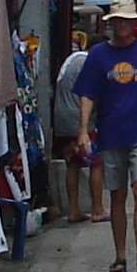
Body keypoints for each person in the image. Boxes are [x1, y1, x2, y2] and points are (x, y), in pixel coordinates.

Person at [77, 0, 137, 272]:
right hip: (111, 133)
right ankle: (120, 256)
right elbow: (87, 94)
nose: (122, 25)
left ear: (134, 23)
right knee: (117, 195)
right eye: (117, 21)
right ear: (111, 23)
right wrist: (83, 131)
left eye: (127, 21)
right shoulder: (98, 55)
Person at [52, 16, 100, 223]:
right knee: (96, 163)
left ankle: (74, 210)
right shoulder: (89, 64)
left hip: (61, 120)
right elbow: (91, 95)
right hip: (79, 121)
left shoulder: (71, 59)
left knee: (73, 163)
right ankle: (98, 209)